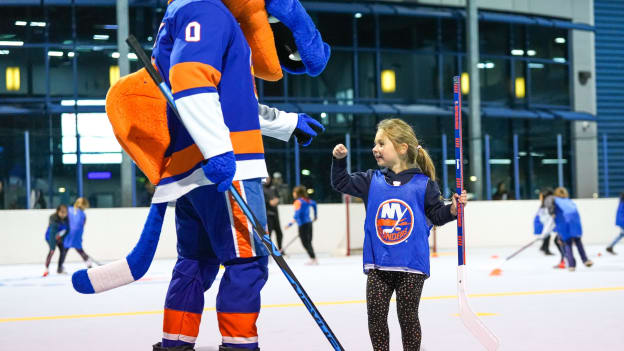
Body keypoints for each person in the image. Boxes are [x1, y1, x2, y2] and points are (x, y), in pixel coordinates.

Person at [331, 118, 466, 351]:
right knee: (375, 318)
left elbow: (437, 216)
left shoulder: (424, 184)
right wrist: (339, 161)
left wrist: (453, 209)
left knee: (408, 318)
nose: (375, 148)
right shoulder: (371, 180)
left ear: (402, 148)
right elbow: (340, 182)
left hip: (411, 266)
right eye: (375, 144)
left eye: (382, 143)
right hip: (379, 266)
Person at [552, 187, 593, 271]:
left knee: (567, 244)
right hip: (574, 224)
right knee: (578, 242)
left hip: (564, 225)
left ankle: (571, 265)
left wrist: (557, 230)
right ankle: (585, 260)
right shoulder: (570, 201)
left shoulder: (555, 202)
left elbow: (555, 216)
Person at [58, 197, 94, 273]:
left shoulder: (69, 209)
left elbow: (64, 219)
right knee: (79, 249)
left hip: (69, 232)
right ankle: (88, 261)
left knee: (65, 250)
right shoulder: (83, 214)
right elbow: (83, 224)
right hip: (77, 233)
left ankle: (60, 267)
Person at [285, 185, 318, 264]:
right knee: (308, 242)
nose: (293, 194)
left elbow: (297, 214)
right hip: (309, 223)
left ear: (297, 193)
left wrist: (290, 224)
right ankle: (313, 258)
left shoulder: (298, 202)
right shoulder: (307, 200)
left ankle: (313, 258)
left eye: (294, 192)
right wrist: (315, 215)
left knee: (305, 242)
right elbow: (314, 204)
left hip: (303, 224)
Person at [43, 204, 68, 277]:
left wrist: (61, 238)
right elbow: (52, 232)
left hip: (59, 237)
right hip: (50, 237)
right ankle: (46, 269)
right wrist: (52, 246)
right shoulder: (53, 218)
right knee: (52, 251)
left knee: (63, 251)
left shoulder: (67, 219)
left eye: (65, 212)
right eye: (62, 212)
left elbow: (67, 230)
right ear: (58, 211)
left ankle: (60, 268)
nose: (64, 214)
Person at [263, 176, 284, 253]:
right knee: (269, 233)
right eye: (266, 178)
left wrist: (277, 200)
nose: (267, 180)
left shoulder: (274, 187)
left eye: (268, 178)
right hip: (267, 214)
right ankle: (268, 250)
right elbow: (263, 201)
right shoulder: (262, 188)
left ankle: (280, 249)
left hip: (275, 214)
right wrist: (269, 202)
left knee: (279, 233)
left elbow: (278, 197)